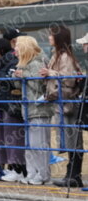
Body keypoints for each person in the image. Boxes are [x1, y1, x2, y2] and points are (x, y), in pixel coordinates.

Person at [40, 25, 83, 188]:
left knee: (73, 140)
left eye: (51, 35)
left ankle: (74, 175)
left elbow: (69, 80)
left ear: (58, 38)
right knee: (69, 140)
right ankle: (71, 174)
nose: (49, 38)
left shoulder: (65, 57)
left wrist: (50, 73)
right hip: (60, 102)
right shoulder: (56, 56)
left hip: (67, 103)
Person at [13, 35, 52, 185]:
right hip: (29, 110)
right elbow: (19, 86)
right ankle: (32, 172)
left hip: (39, 109)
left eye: (18, 46)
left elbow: (39, 86)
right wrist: (17, 75)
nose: (15, 49)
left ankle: (43, 175)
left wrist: (24, 75)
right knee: (30, 145)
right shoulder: (24, 64)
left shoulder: (36, 63)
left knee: (39, 145)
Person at [0, 37, 27, 183]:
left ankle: (18, 169)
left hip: (13, 105)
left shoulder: (13, 62)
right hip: (4, 104)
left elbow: (10, 82)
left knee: (14, 138)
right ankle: (12, 167)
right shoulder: (3, 63)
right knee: (5, 138)